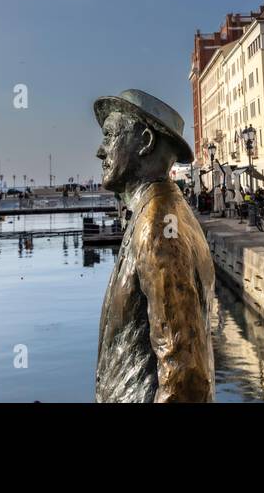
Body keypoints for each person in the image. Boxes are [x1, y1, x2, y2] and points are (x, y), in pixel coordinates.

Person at [93, 89, 214, 402]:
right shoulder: (165, 211)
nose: (100, 150)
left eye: (109, 136)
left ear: (145, 141)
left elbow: (183, 375)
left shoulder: (157, 224)